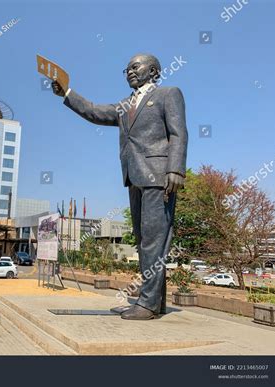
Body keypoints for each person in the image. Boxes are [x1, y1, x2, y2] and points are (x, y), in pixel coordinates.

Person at [51, 54, 188, 320]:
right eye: (127, 69)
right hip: (134, 177)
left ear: (154, 70)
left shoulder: (168, 94)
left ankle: (147, 304)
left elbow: (179, 132)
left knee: (153, 241)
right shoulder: (125, 105)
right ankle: (154, 302)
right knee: (144, 240)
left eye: (135, 67)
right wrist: (66, 92)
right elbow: (93, 111)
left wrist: (175, 168)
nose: (130, 72)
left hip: (159, 176)